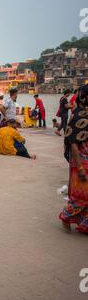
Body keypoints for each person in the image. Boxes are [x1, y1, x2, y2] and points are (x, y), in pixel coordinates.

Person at [59, 84, 88, 233]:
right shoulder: (79, 115)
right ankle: (66, 216)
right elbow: (73, 143)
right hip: (82, 162)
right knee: (81, 195)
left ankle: (84, 224)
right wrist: (81, 168)